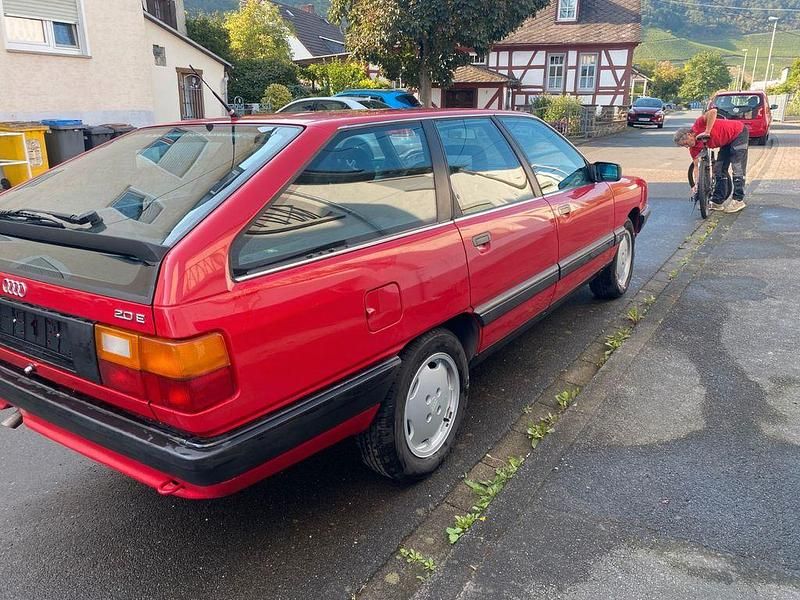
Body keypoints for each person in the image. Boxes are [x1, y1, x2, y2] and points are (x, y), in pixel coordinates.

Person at [673, 107, 749, 213]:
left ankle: (738, 200)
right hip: (726, 142)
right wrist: (697, 185)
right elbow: (696, 166)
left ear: (689, 134)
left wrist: (707, 131)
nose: (686, 147)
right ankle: (717, 201)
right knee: (719, 169)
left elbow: (713, 111)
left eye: (686, 143)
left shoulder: (698, 124)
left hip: (738, 132)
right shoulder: (693, 149)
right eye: (684, 146)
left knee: (738, 167)